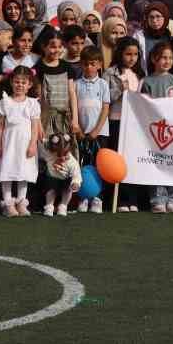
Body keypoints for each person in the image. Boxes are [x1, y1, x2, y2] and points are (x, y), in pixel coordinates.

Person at [0, 66, 42, 217]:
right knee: (7, 170)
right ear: (11, 82)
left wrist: (32, 144)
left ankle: (22, 202)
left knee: (23, 172)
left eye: (23, 82)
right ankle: (8, 203)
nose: (20, 85)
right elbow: (0, 125)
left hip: (25, 143)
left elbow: (35, 126)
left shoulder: (32, 103)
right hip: (9, 142)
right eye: (17, 82)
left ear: (29, 84)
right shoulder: (5, 102)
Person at [141, 41, 173, 213]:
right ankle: (157, 199)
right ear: (154, 59)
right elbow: (144, 104)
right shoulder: (148, 81)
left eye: (170, 58)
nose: (167, 61)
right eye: (163, 58)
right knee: (157, 163)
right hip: (155, 130)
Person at [104, 37, 144, 212]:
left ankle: (132, 198)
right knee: (116, 161)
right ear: (120, 54)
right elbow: (106, 99)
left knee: (131, 162)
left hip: (134, 124)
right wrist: (121, 89)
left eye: (135, 54)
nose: (132, 58)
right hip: (116, 121)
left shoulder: (140, 75)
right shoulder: (110, 73)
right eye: (128, 54)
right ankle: (117, 199)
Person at [72, 46, 110, 213]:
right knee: (82, 165)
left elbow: (105, 109)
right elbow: (75, 108)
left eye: (92, 64)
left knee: (98, 165)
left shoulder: (103, 84)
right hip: (81, 133)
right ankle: (83, 197)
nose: (89, 67)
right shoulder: (76, 84)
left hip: (99, 133)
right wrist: (79, 129)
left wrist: (96, 130)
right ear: (81, 65)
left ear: (99, 65)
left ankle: (97, 198)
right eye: (85, 64)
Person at [33, 27, 75, 142]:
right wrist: (39, 123)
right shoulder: (39, 68)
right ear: (43, 47)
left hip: (65, 118)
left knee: (66, 150)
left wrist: (75, 119)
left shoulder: (66, 67)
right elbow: (38, 97)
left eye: (60, 47)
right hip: (46, 118)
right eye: (52, 47)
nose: (57, 50)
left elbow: (72, 94)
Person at [39, 132, 81, 217]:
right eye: (58, 154)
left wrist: (75, 182)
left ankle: (63, 206)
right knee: (50, 191)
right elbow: (42, 144)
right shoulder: (49, 154)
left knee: (68, 191)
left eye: (64, 154)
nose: (62, 157)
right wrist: (39, 138)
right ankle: (49, 206)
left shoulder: (72, 162)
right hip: (52, 179)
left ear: (69, 150)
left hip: (66, 180)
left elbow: (76, 174)